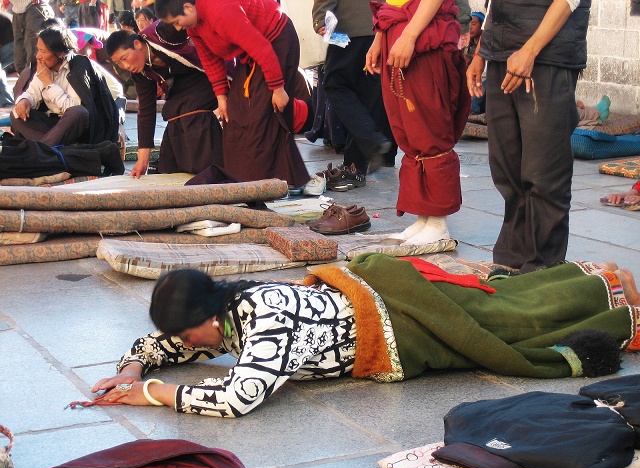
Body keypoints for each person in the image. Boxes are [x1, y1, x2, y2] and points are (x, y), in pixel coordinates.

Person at [91, 253, 639, 417]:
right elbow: (173, 344)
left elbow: (240, 396)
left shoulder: (265, 318)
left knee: (505, 322)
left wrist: (152, 393)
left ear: (207, 316)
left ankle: (609, 296)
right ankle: (600, 285)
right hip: (371, 305)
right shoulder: (226, 310)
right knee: (497, 305)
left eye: (191, 334)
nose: (191, 345)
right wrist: (134, 365)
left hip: (397, 328)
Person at [466, 0, 589, 272]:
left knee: (544, 171)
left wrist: (530, 50)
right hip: (501, 54)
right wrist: (481, 54)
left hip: (547, 55)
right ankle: (511, 262)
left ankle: (541, 266)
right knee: (507, 167)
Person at [154, 0, 310, 191]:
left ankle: (268, 182)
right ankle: (242, 181)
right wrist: (221, 96)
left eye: (177, 21)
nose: (178, 28)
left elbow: (261, 47)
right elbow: (210, 59)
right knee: (234, 115)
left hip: (276, 42)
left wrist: (277, 88)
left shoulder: (220, 11)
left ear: (187, 7)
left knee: (260, 117)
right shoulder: (194, 26)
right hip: (252, 54)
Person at [365, 0, 471, 245]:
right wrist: (380, 37)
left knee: (429, 129)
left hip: (423, 34)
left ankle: (437, 223)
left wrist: (410, 35)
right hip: (397, 30)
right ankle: (425, 218)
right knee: (410, 131)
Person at [106, 24, 223, 176]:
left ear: (137, 44)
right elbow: (146, 110)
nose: (125, 66)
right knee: (173, 111)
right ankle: (177, 170)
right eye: (119, 63)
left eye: (124, 58)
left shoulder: (163, 32)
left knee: (191, 111)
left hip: (212, 71)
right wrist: (142, 161)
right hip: (185, 82)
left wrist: (223, 95)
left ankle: (209, 170)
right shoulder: (140, 72)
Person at [312, 0, 397, 178]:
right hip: (380, 29)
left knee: (336, 86)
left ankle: (372, 142)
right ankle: (355, 165)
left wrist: (320, 18)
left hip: (348, 30)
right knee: (369, 95)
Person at [11, 26, 119, 146]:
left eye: (43, 51)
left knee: (78, 112)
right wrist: (25, 101)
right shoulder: (44, 67)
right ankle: (52, 147)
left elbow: (74, 109)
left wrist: (49, 84)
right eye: (38, 50)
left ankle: (44, 149)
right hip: (54, 127)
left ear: (60, 53)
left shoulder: (79, 67)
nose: (38, 56)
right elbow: (33, 92)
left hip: (78, 128)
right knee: (16, 113)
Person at [10, 0, 54, 73]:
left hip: (35, 7)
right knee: (20, 62)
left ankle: (37, 82)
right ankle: (27, 82)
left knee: (34, 59)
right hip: (17, 9)